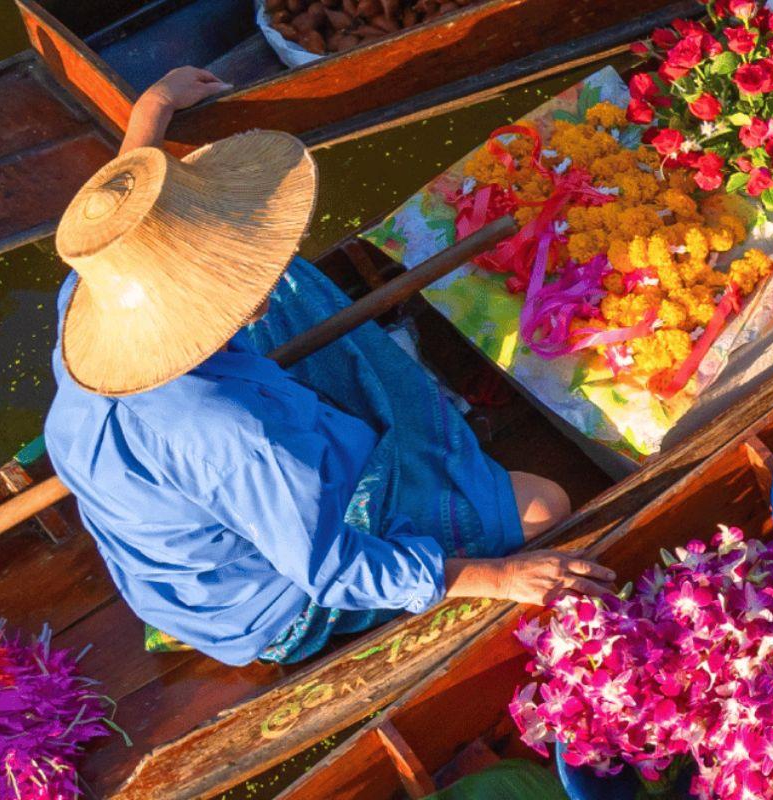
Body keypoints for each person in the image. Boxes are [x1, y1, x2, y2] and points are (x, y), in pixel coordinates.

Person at [43, 67, 613, 667]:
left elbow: (124, 228)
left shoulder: (91, 299)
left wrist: (151, 111)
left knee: (286, 287)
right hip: (275, 593)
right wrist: (499, 579)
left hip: (183, 534)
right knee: (542, 506)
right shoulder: (236, 435)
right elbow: (333, 568)